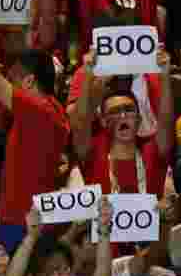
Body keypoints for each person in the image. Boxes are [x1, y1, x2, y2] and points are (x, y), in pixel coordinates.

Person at [0, 0, 69, 227]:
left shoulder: (39, 110)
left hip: (20, 223)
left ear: (28, 82)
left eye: (12, 79)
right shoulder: (52, 109)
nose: (8, 84)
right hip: (28, 219)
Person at [73, 44, 174, 196]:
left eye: (128, 109)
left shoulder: (152, 150)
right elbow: (80, 122)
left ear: (139, 119)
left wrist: (165, 75)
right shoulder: (94, 153)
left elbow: (166, 121)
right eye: (114, 112)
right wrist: (88, 73)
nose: (122, 116)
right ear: (103, 121)